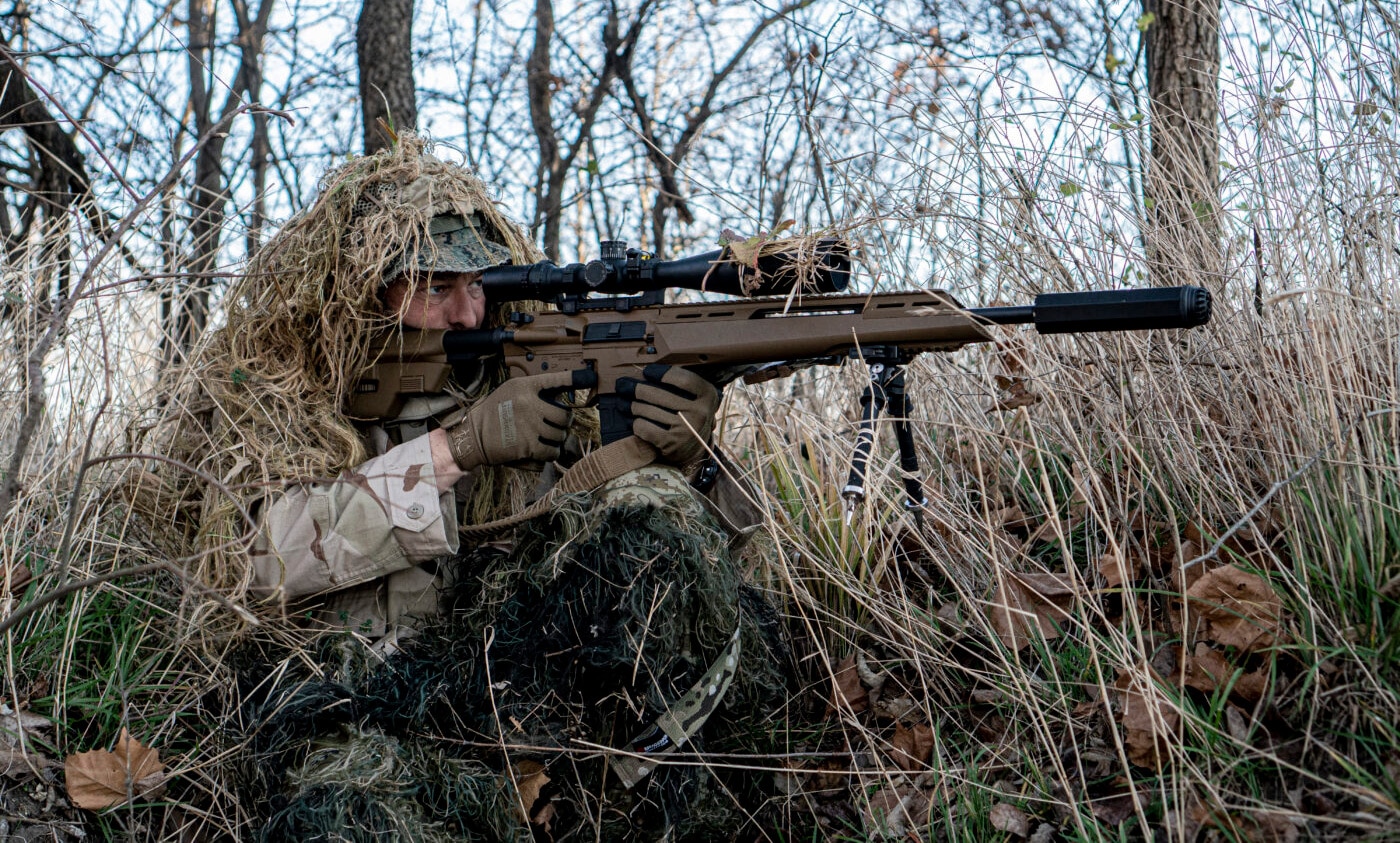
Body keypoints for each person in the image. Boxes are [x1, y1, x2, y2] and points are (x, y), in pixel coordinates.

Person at [149, 136, 786, 841]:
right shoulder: (276, 390)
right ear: (364, 289)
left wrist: (689, 461)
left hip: (520, 717)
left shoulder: (537, 382)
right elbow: (247, 559)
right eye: (435, 286)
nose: (467, 314)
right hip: (348, 711)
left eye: (480, 284)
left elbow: (712, 567)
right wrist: (456, 450)